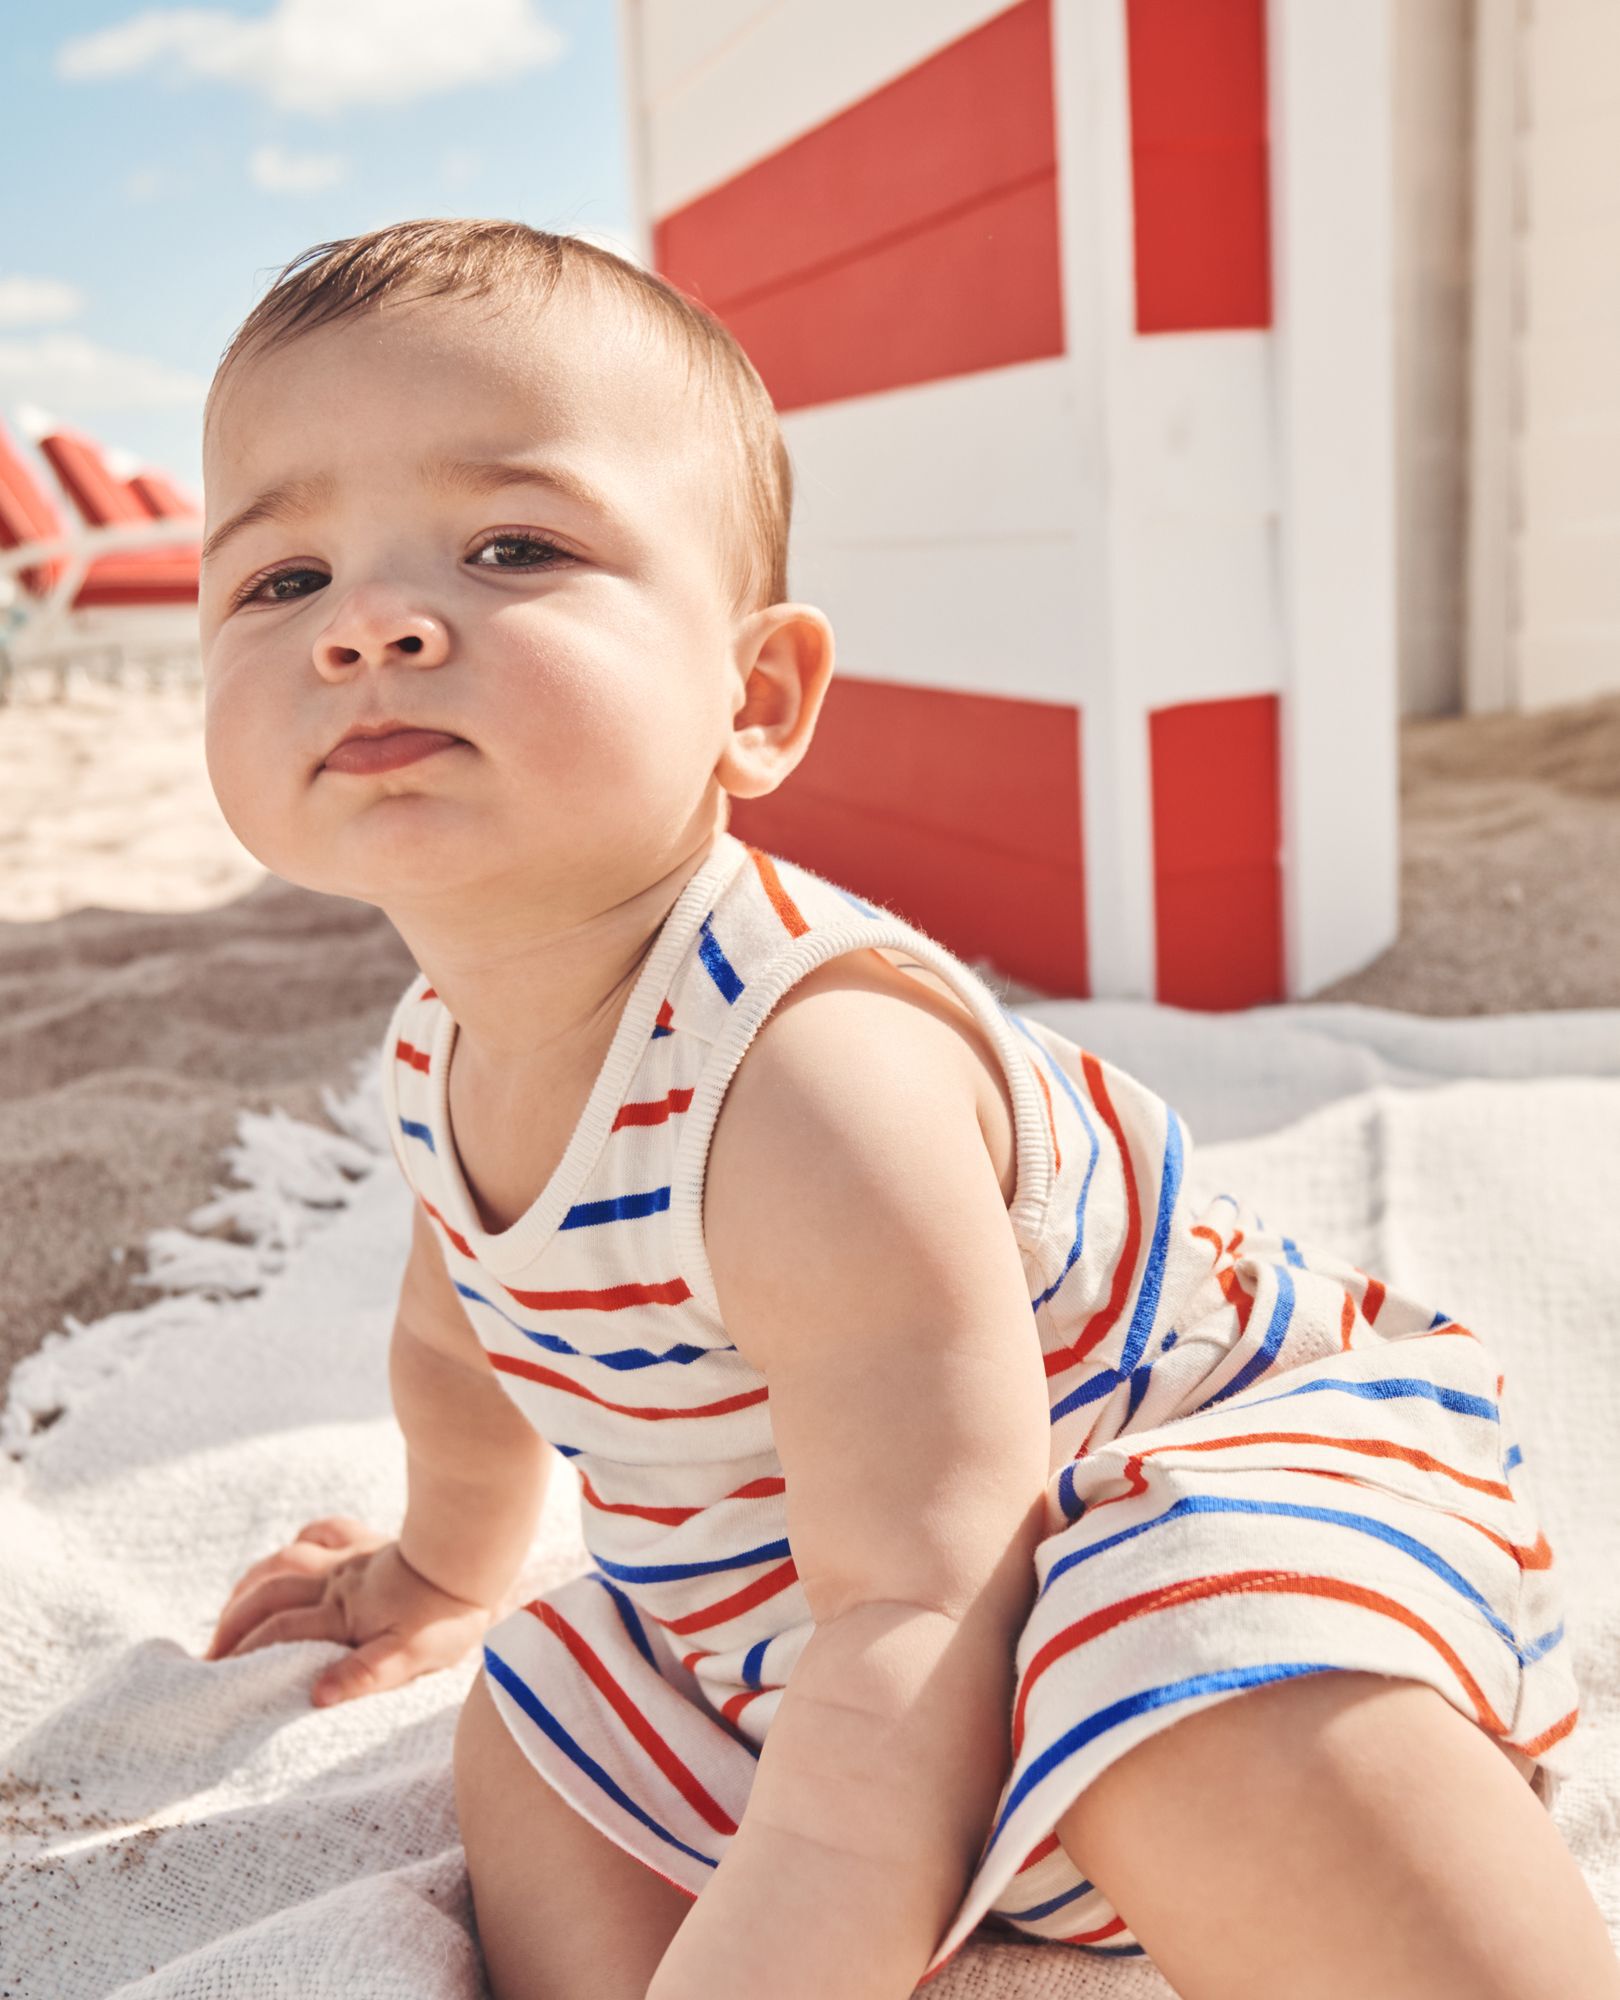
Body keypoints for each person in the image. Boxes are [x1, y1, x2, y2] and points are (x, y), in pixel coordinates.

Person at [196, 218, 1616, 2000]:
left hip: (1160, 1511)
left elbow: (934, 1594)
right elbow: (464, 1354)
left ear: (758, 697)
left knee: (1176, 1661)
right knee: (541, 1721)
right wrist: (432, 1570)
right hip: (822, 1633)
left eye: (512, 546)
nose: (374, 624)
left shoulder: (807, 1076)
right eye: (280, 582)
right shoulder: (435, 1057)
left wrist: (809, 1917)